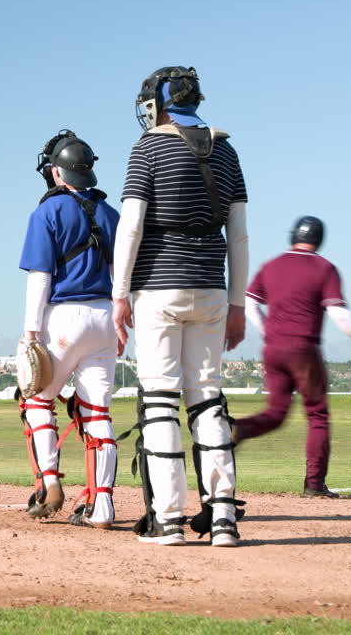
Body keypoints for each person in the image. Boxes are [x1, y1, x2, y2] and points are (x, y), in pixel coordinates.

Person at [112, 66, 249, 547]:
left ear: (157, 104)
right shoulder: (226, 150)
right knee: (207, 398)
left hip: (158, 289)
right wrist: (238, 304)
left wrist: (119, 292)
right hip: (212, 289)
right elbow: (239, 234)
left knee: (160, 401)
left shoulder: (147, 148)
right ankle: (224, 518)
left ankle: (167, 519)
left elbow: (130, 227)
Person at [234, 216, 351, 497]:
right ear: (319, 239)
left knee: (275, 413)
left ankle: (236, 429)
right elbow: (339, 314)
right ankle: (314, 484)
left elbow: (250, 305)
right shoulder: (324, 268)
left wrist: (269, 332)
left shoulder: (271, 266)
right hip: (303, 349)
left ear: (292, 236)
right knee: (317, 415)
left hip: (272, 349)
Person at [17, 130, 121, 528]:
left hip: (64, 317)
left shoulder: (48, 212)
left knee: (37, 400)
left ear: (57, 173)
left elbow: (40, 277)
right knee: (98, 412)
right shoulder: (111, 214)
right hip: (106, 316)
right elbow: (118, 274)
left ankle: (49, 484)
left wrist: (30, 332)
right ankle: (103, 505)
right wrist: (122, 324)